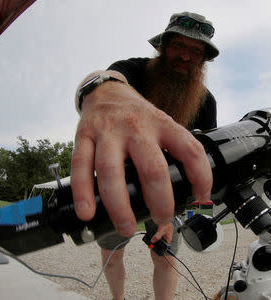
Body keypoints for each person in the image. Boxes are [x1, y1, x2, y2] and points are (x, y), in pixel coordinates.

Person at [71, 12, 219, 299]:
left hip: (173, 194)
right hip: (118, 183)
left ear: (203, 60)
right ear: (163, 46)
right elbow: (106, 80)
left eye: (196, 51)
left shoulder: (206, 102)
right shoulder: (133, 70)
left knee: (165, 258)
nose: (186, 56)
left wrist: (181, 213)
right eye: (179, 45)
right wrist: (100, 91)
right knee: (111, 253)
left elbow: (204, 159)